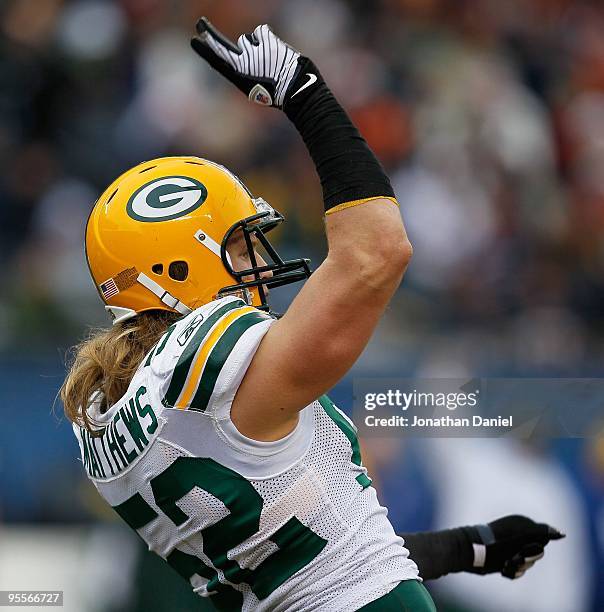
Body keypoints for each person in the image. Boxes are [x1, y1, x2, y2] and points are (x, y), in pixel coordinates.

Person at [62, 19, 563, 611]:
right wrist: (301, 89)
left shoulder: (106, 410)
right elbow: (377, 252)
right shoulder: (210, 362)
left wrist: (466, 548)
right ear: (173, 267)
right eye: (241, 246)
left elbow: (309, 559)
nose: (260, 265)